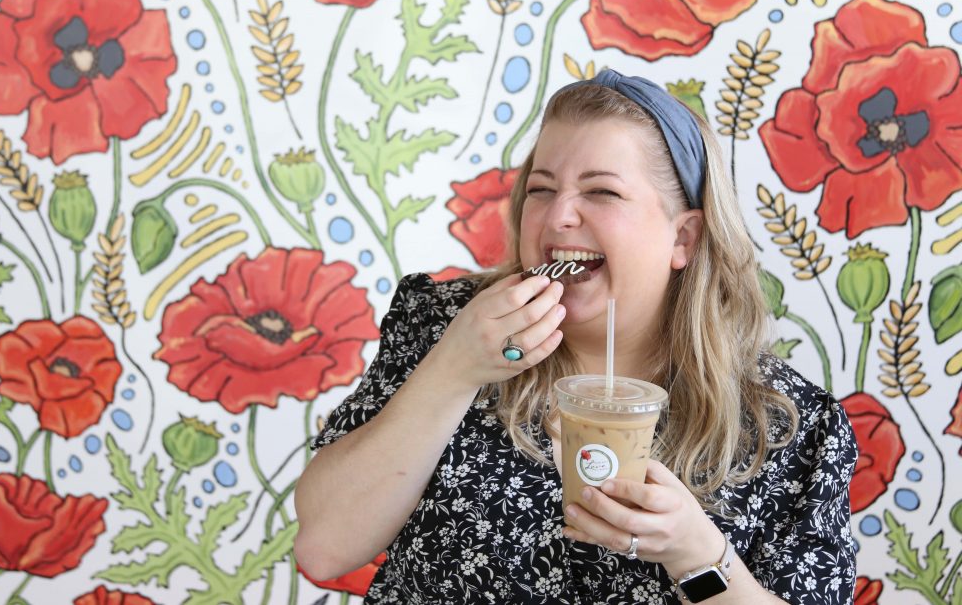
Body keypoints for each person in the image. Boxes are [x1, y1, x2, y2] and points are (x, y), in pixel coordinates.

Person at [293, 70, 858, 604]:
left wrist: (696, 554)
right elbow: (324, 546)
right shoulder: (445, 325)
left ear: (682, 237)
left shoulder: (788, 425)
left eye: (602, 193)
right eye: (541, 190)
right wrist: (454, 368)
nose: (558, 216)